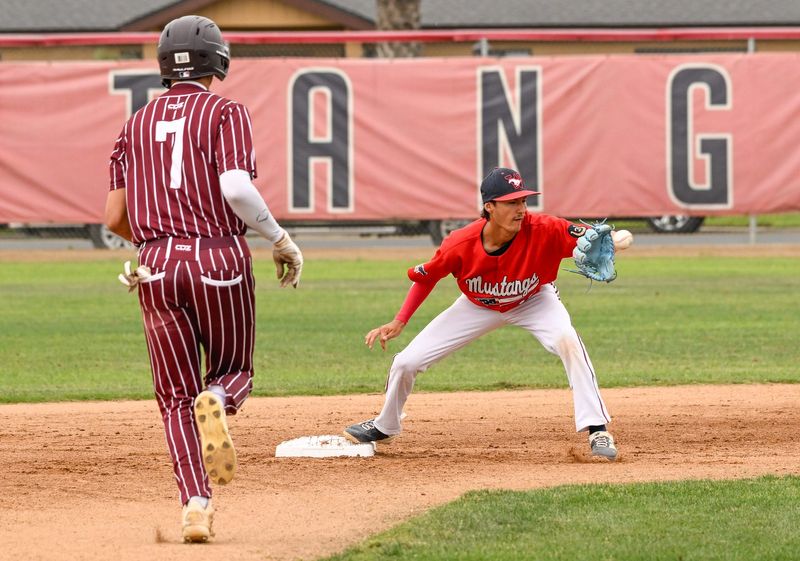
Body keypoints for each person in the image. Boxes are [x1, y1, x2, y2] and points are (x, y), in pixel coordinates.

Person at [104, 15, 303, 543]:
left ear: (164, 64)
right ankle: (217, 398)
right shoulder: (225, 112)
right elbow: (237, 189)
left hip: (154, 265)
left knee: (173, 398)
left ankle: (195, 506)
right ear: (219, 60)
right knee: (234, 370)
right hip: (218, 256)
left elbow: (112, 217)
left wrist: (155, 245)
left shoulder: (134, 124)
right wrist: (279, 239)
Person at [344, 167, 631, 460]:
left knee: (567, 340)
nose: (520, 209)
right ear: (489, 206)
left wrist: (614, 243)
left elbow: (592, 239)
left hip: (534, 299)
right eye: (511, 202)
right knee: (407, 361)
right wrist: (399, 320)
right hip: (477, 305)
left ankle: (597, 429)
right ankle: (385, 426)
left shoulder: (546, 228)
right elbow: (427, 277)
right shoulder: (460, 243)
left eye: (523, 201)